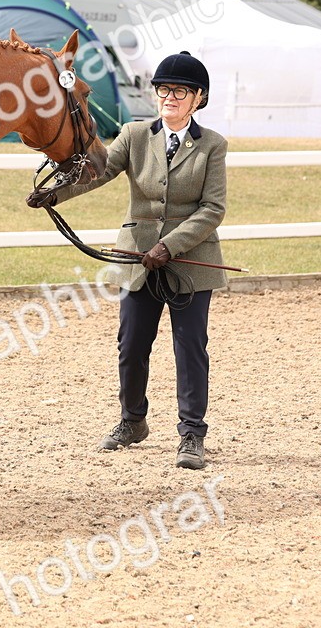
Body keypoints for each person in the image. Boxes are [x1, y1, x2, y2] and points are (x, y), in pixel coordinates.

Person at [27, 51, 228, 469]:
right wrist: (55, 193)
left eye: (180, 91)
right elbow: (97, 172)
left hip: (189, 263)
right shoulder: (135, 135)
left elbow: (212, 209)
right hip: (137, 258)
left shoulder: (212, 146)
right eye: (163, 90)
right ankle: (132, 420)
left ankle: (192, 434)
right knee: (131, 345)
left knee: (190, 347)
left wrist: (169, 246)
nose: (169, 97)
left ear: (198, 99)